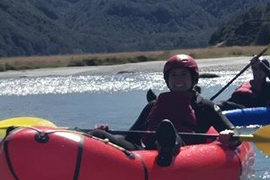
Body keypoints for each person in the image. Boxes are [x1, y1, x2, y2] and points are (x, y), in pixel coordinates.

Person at [88, 54, 238, 166]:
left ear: (193, 78)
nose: (178, 80)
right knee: (97, 134)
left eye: (184, 74)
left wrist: (229, 135)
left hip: (183, 151)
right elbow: (131, 137)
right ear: (167, 79)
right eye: (174, 75)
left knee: (170, 134)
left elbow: (234, 133)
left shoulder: (205, 106)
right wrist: (108, 134)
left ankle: (167, 147)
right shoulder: (153, 105)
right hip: (150, 151)